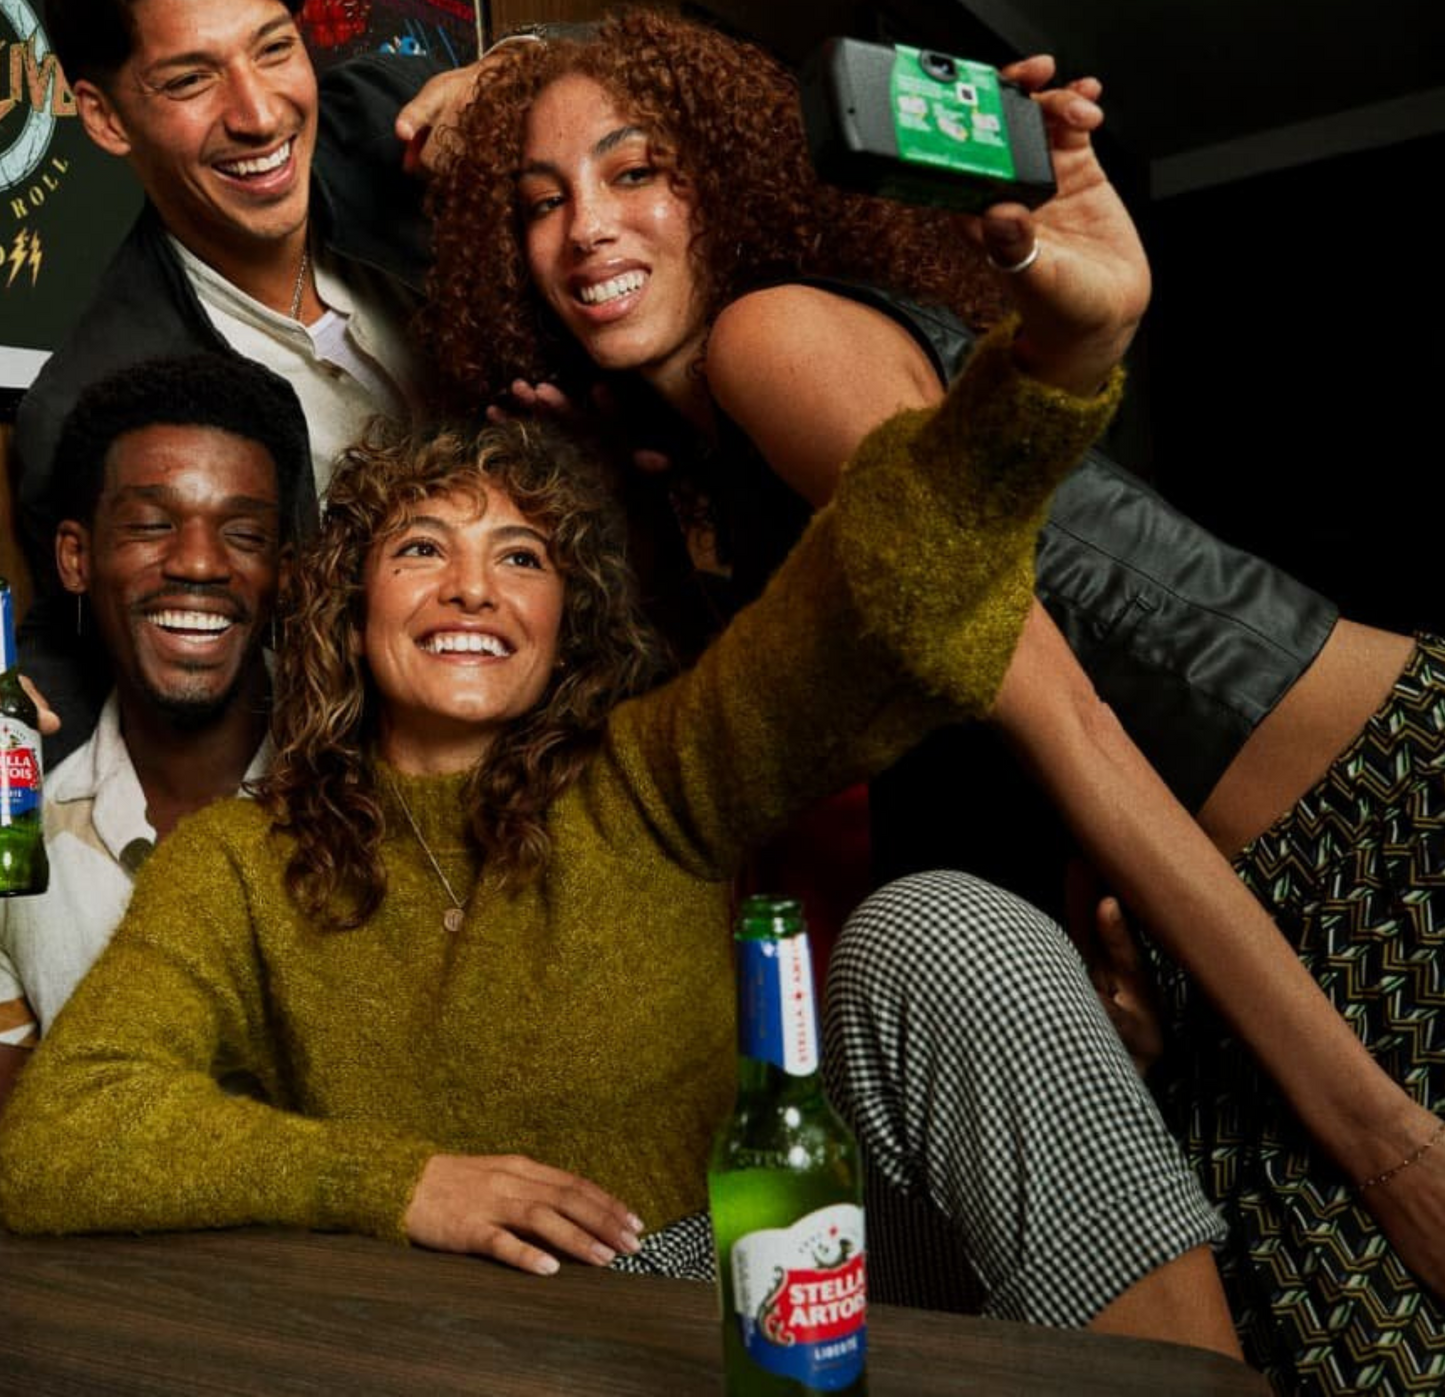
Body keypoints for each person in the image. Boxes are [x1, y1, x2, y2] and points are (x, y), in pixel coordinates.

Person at [420, 9, 1445, 1392]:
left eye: (637, 169)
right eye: (541, 203)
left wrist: (1386, 1138)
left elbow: (1065, 720)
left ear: (723, 178)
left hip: (1368, 835)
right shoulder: (707, 451)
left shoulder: (766, 340)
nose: (587, 229)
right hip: (1236, 901)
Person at [0, 323, 1238, 1354]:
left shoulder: (654, 770)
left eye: (518, 557)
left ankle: (1191, 1391)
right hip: (470, 1335)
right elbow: (62, 1135)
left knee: (941, 924)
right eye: (421, 548)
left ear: (563, 618)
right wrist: (401, 1180)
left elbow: (867, 605)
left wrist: (1050, 368)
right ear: (347, 601)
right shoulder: (239, 858)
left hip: (764, 1269)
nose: (471, 589)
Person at [12, 0, 476, 754]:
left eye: (273, 48)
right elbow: (87, 655)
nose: (259, 114)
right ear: (106, 117)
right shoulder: (92, 397)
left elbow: (620, 77)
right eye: (190, 80)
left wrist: (529, 58)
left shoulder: (384, 115)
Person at [0, 350, 310, 1108]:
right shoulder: (18, 834)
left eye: (243, 534)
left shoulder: (378, 800)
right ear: (76, 557)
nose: (198, 562)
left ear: (287, 570)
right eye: (150, 524)